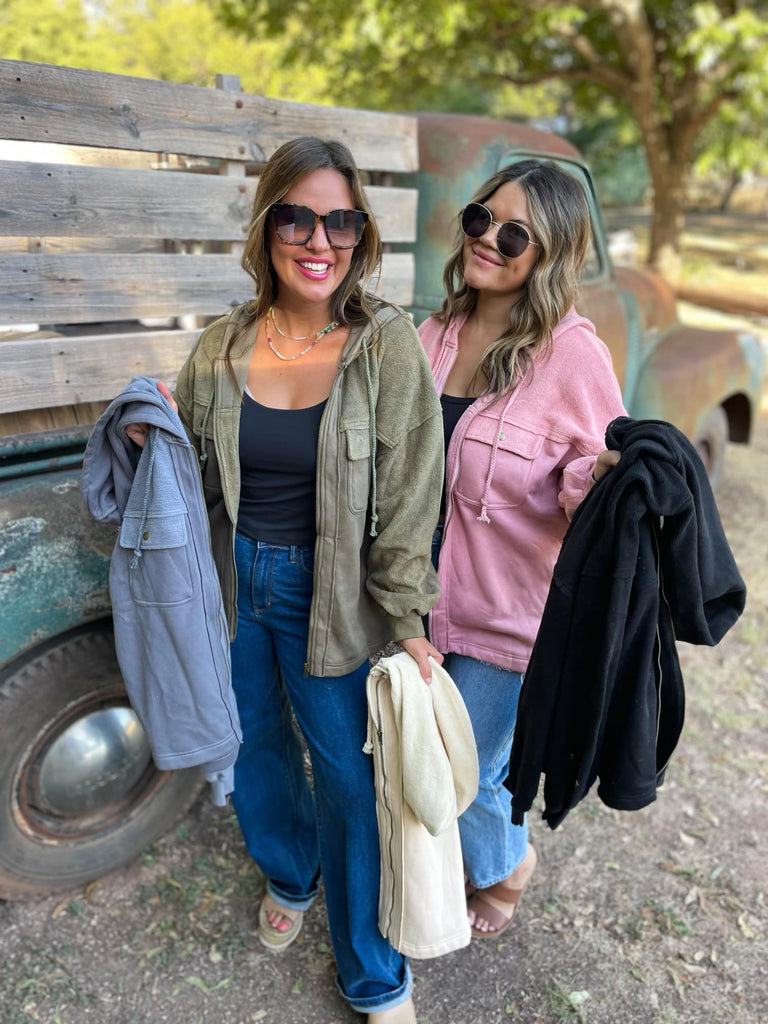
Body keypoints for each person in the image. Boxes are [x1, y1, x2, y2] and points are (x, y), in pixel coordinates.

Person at [127, 137, 444, 1023]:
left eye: (341, 220)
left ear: (361, 234)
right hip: (231, 584)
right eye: (298, 217)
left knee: (349, 781)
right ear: (267, 226)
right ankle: (289, 871)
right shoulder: (222, 345)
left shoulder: (384, 346)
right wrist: (154, 434)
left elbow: (413, 491)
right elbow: (193, 473)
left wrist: (408, 618)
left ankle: (375, 975)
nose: (319, 239)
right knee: (254, 743)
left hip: (331, 594)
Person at [418, 158, 627, 938]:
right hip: (416, 598)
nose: (489, 240)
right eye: (482, 218)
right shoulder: (433, 333)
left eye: (516, 234)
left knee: (465, 771)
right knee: (419, 757)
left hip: (506, 612)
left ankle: (507, 868)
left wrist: (599, 476)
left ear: (550, 255)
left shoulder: (575, 358)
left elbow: (590, 482)